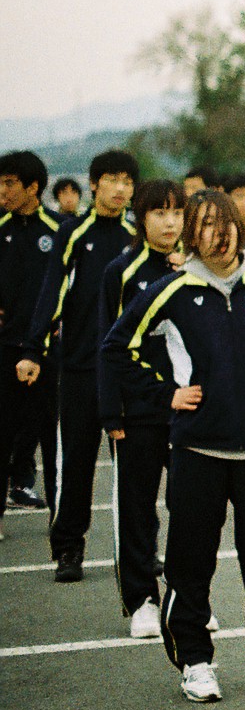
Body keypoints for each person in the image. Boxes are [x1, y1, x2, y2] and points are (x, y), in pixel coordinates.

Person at [104, 191, 245, 703]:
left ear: (240, 226)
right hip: (197, 450)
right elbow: (117, 347)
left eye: (226, 223)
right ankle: (195, 661)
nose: (218, 234)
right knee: (190, 561)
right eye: (204, 225)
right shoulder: (172, 289)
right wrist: (166, 395)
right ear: (191, 235)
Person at [20, 148, 138, 581]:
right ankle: (69, 547)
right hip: (80, 366)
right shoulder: (74, 232)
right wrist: (33, 349)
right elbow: (52, 291)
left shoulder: (136, 235)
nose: (120, 189)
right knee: (76, 463)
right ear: (93, 184)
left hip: (129, 371)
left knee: (135, 468)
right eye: (112, 180)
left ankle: (138, 552)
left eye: (127, 181)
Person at [98, 179, 187, 638]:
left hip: (189, 407)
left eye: (177, 213)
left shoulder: (195, 267)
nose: (170, 222)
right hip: (137, 410)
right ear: (141, 217)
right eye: (159, 212)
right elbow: (106, 342)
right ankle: (142, 601)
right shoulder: (122, 270)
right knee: (136, 509)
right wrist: (110, 410)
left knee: (191, 508)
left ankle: (186, 597)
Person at [0, 151, 61, 518]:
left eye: (10, 184)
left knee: (49, 436)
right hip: (6, 347)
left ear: (33, 187)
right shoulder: (1, 229)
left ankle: (60, 520)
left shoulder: (60, 229)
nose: (3, 192)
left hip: (49, 349)